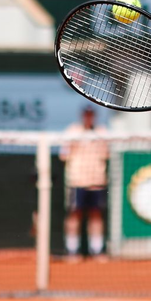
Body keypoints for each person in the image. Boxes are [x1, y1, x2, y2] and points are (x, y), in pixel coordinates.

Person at [59, 107, 108, 259]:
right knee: (74, 214)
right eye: (86, 115)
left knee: (96, 215)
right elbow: (63, 155)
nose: (88, 118)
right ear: (82, 116)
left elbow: (106, 154)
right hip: (77, 181)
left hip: (97, 181)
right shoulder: (72, 131)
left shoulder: (102, 132)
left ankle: (97, 250)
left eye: (91, 115)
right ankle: (72, 250)